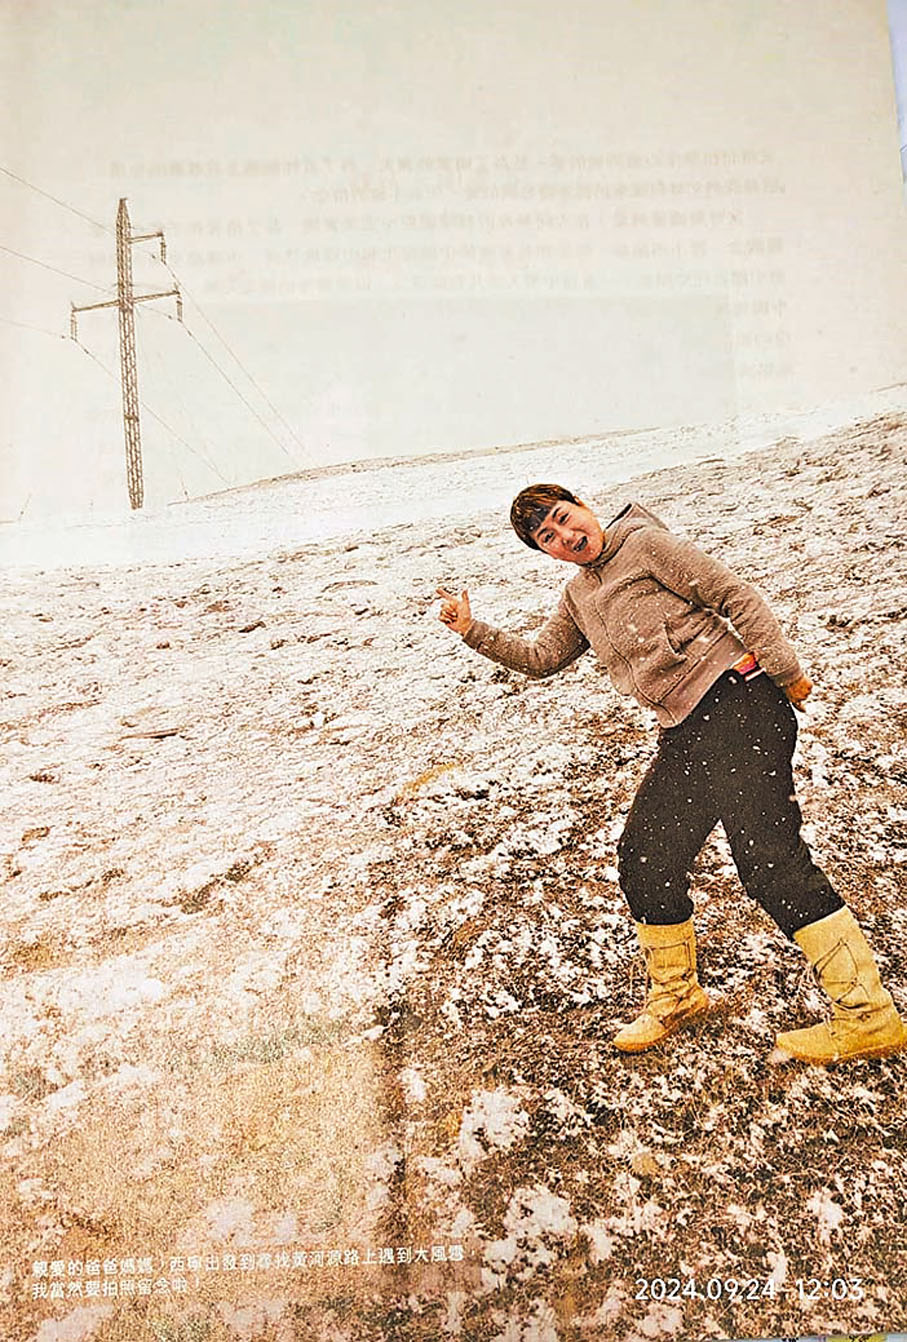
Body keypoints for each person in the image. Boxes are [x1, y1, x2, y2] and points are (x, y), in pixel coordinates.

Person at [436, 483, 905, 1064]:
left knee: (769, 862)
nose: (566, 537)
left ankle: (868, 1015)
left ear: (584, 506)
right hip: (686, 730)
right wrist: (472, 630)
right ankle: (678, 996)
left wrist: (786, 672)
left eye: (564, 517)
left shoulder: (645, 545)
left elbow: (736, 596)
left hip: (740, 702)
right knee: (647, 857)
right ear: (545, 552)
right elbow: (542, 658)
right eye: (548, 537)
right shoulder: (578, 596)